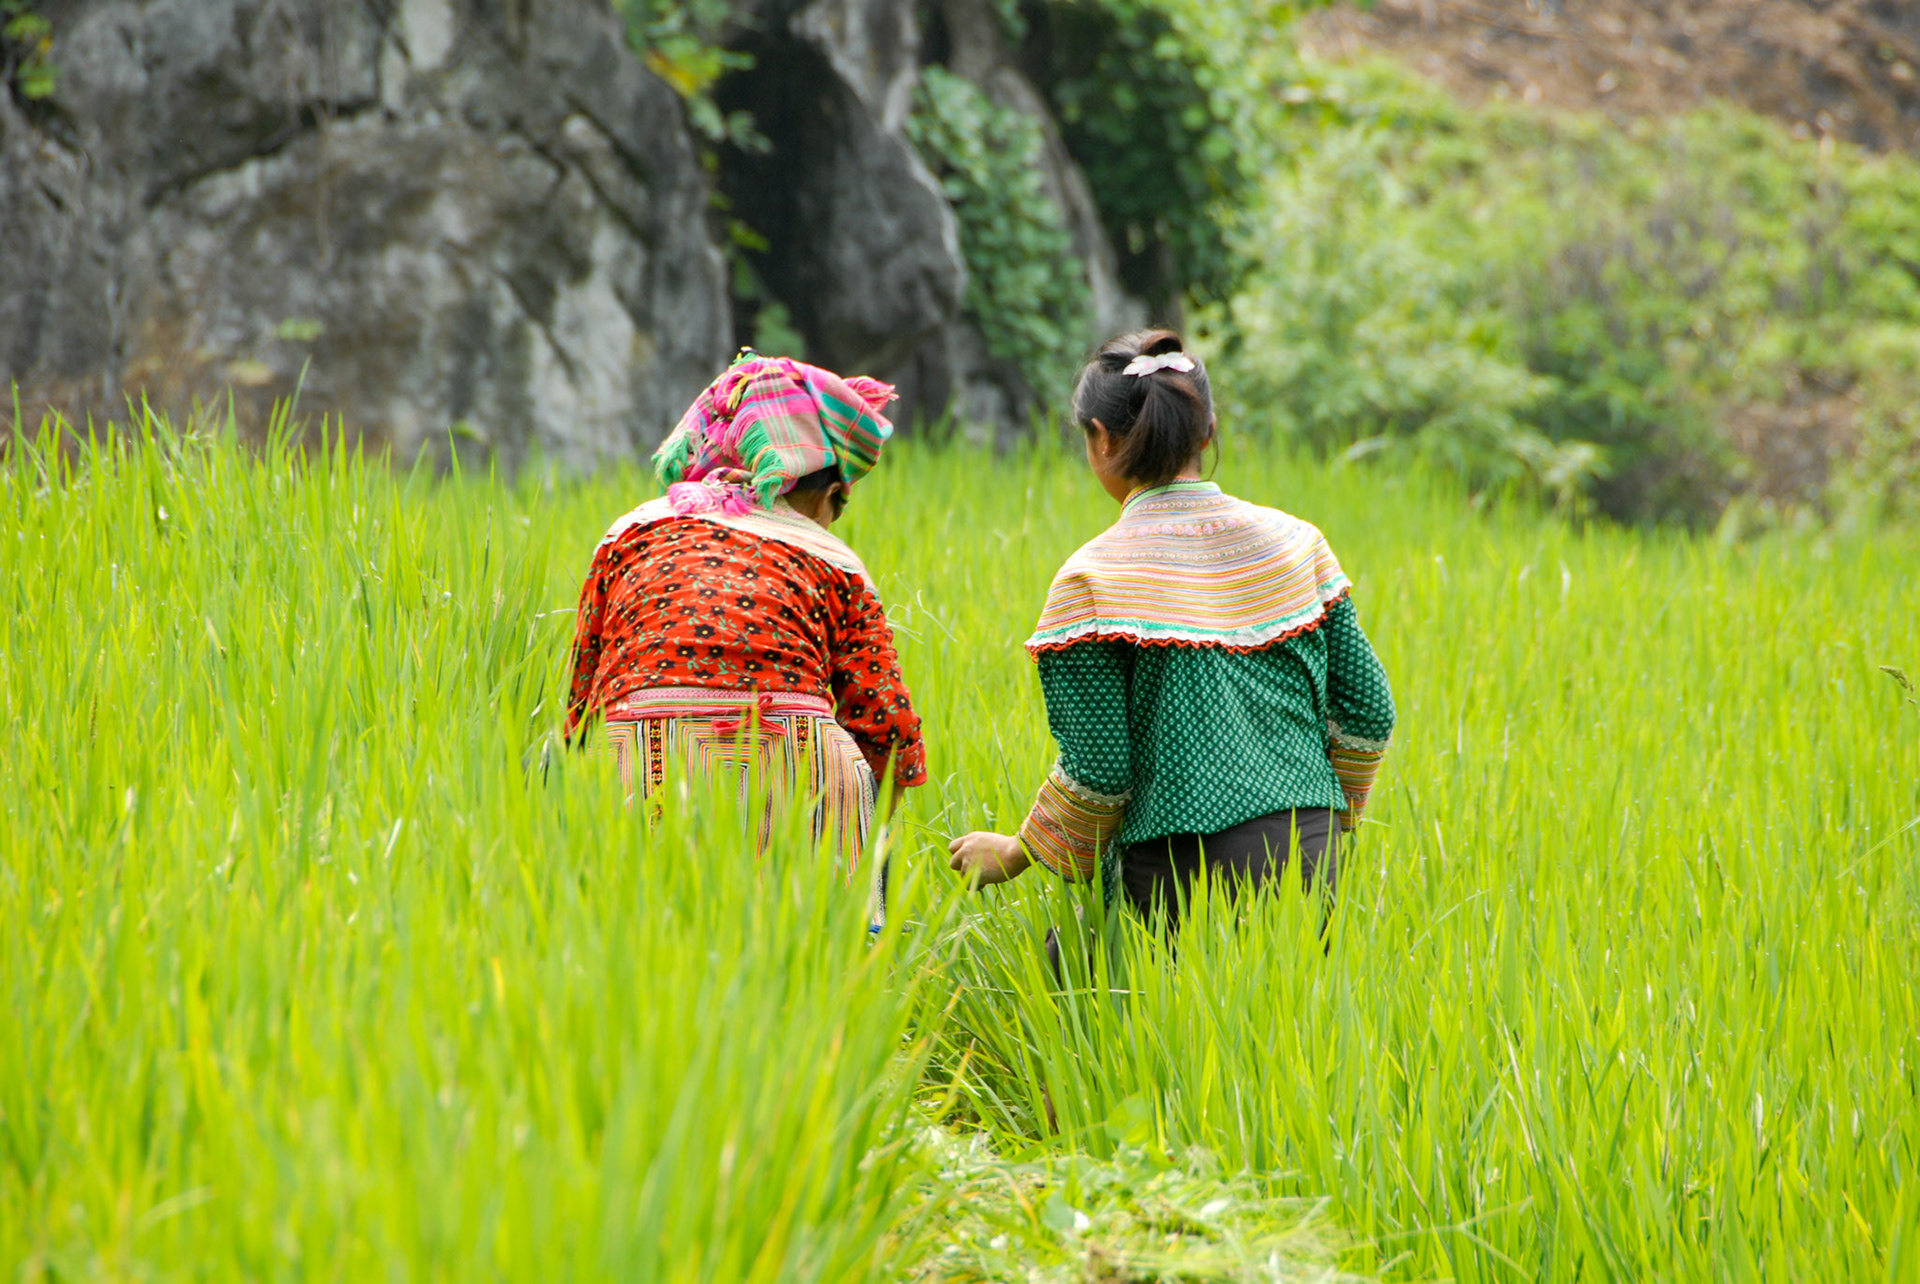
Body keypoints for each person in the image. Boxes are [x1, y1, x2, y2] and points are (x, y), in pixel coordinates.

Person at [947, 330, 1395, 936]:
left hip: (1179, 866)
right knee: (1278, 1026)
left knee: (1086, 1005)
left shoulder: (1092, 579)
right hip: (1309, 852)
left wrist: (1016, 852)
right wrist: (1326, 821)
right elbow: (1369, 708)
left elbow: (1101, 772)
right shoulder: (1298, 545)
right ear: (1208, 431)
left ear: (1100, 440)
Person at [566, 351, 927, 920]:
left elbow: (582, 700)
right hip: (798, 771)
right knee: (809, 974)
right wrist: (864, 867)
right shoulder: (833, 557)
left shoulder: (628, 533)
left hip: (641, 767)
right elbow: (885, 729)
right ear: (828, 494)